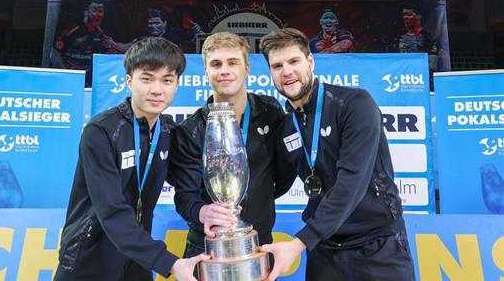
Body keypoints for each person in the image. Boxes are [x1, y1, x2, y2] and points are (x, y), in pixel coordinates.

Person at [259, 28, 415, 281]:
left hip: (376, 246)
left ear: (310, 62)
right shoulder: (286, 127)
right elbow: (273, 185)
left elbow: (352, 181)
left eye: (293, 61)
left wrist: (300, 242)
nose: (286, 71)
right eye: (277, 65)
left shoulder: (355, 104)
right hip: (325, 249)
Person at [54, 37, 208, 281]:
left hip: (138, 258)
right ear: (129, 81)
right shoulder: (101, 131)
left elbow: (188, 183)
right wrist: (169, 263)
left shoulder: (168, 132)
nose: (157, 89)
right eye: (146, 79)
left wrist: (205, 211)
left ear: (177, 84)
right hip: (89, 258)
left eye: (167, 80)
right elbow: (112, 211)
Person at [169, 32, 294, 265]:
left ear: (246, 68)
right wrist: (202, 212)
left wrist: (259, 196)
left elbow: (285, 172)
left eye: (232, 63)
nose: (224, 70)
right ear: (206, 71)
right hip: (207, 249)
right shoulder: (190, 130)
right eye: (216, 64)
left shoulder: (270, 112)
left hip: (258, 245)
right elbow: (185, 196)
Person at [51, 2, 126, 86]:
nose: (98, 15)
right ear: (86, 12)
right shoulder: (73, 29)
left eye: (101, 11)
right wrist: (65, 72)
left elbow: (114, 46)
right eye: (95, 11)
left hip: (85, 78)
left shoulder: (99, 33)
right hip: (68, 77)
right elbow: (54, 53)